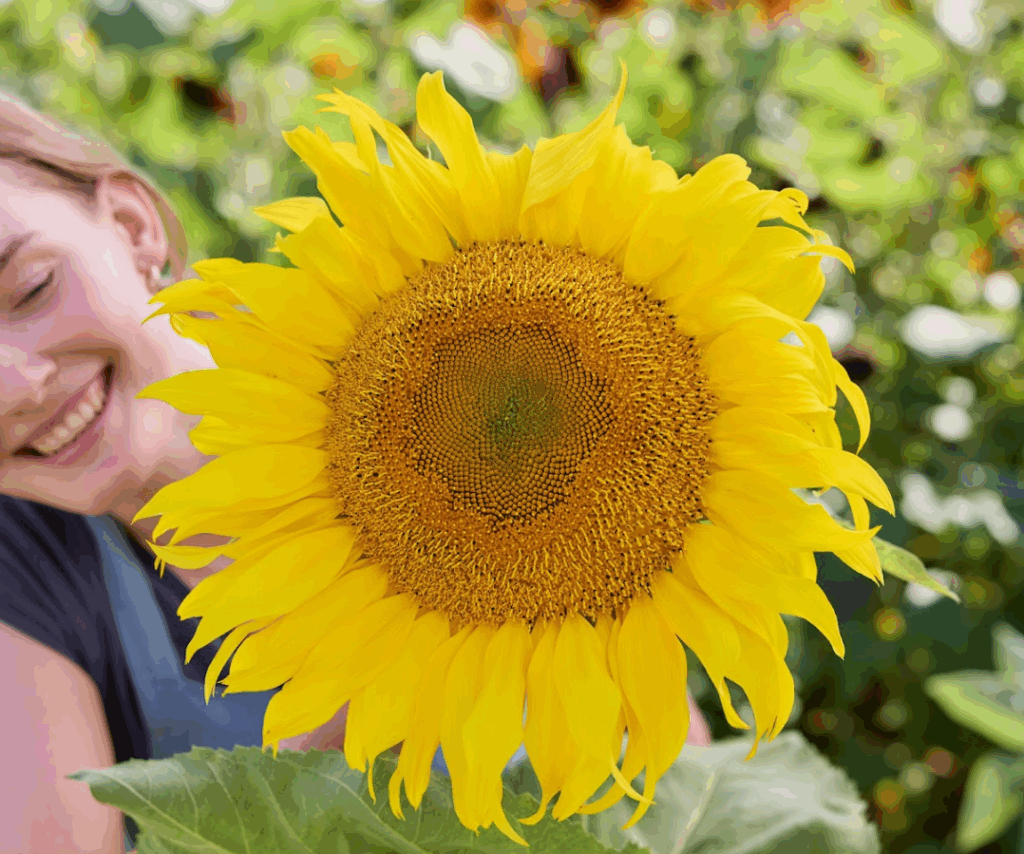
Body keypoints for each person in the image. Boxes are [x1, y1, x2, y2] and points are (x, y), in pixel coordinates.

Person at [0, 91, 710, 854]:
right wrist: (325, 757)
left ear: (134, 226)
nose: (14, 384)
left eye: (31, 288)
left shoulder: (418, 337)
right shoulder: (24, 563)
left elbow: (676, 782)